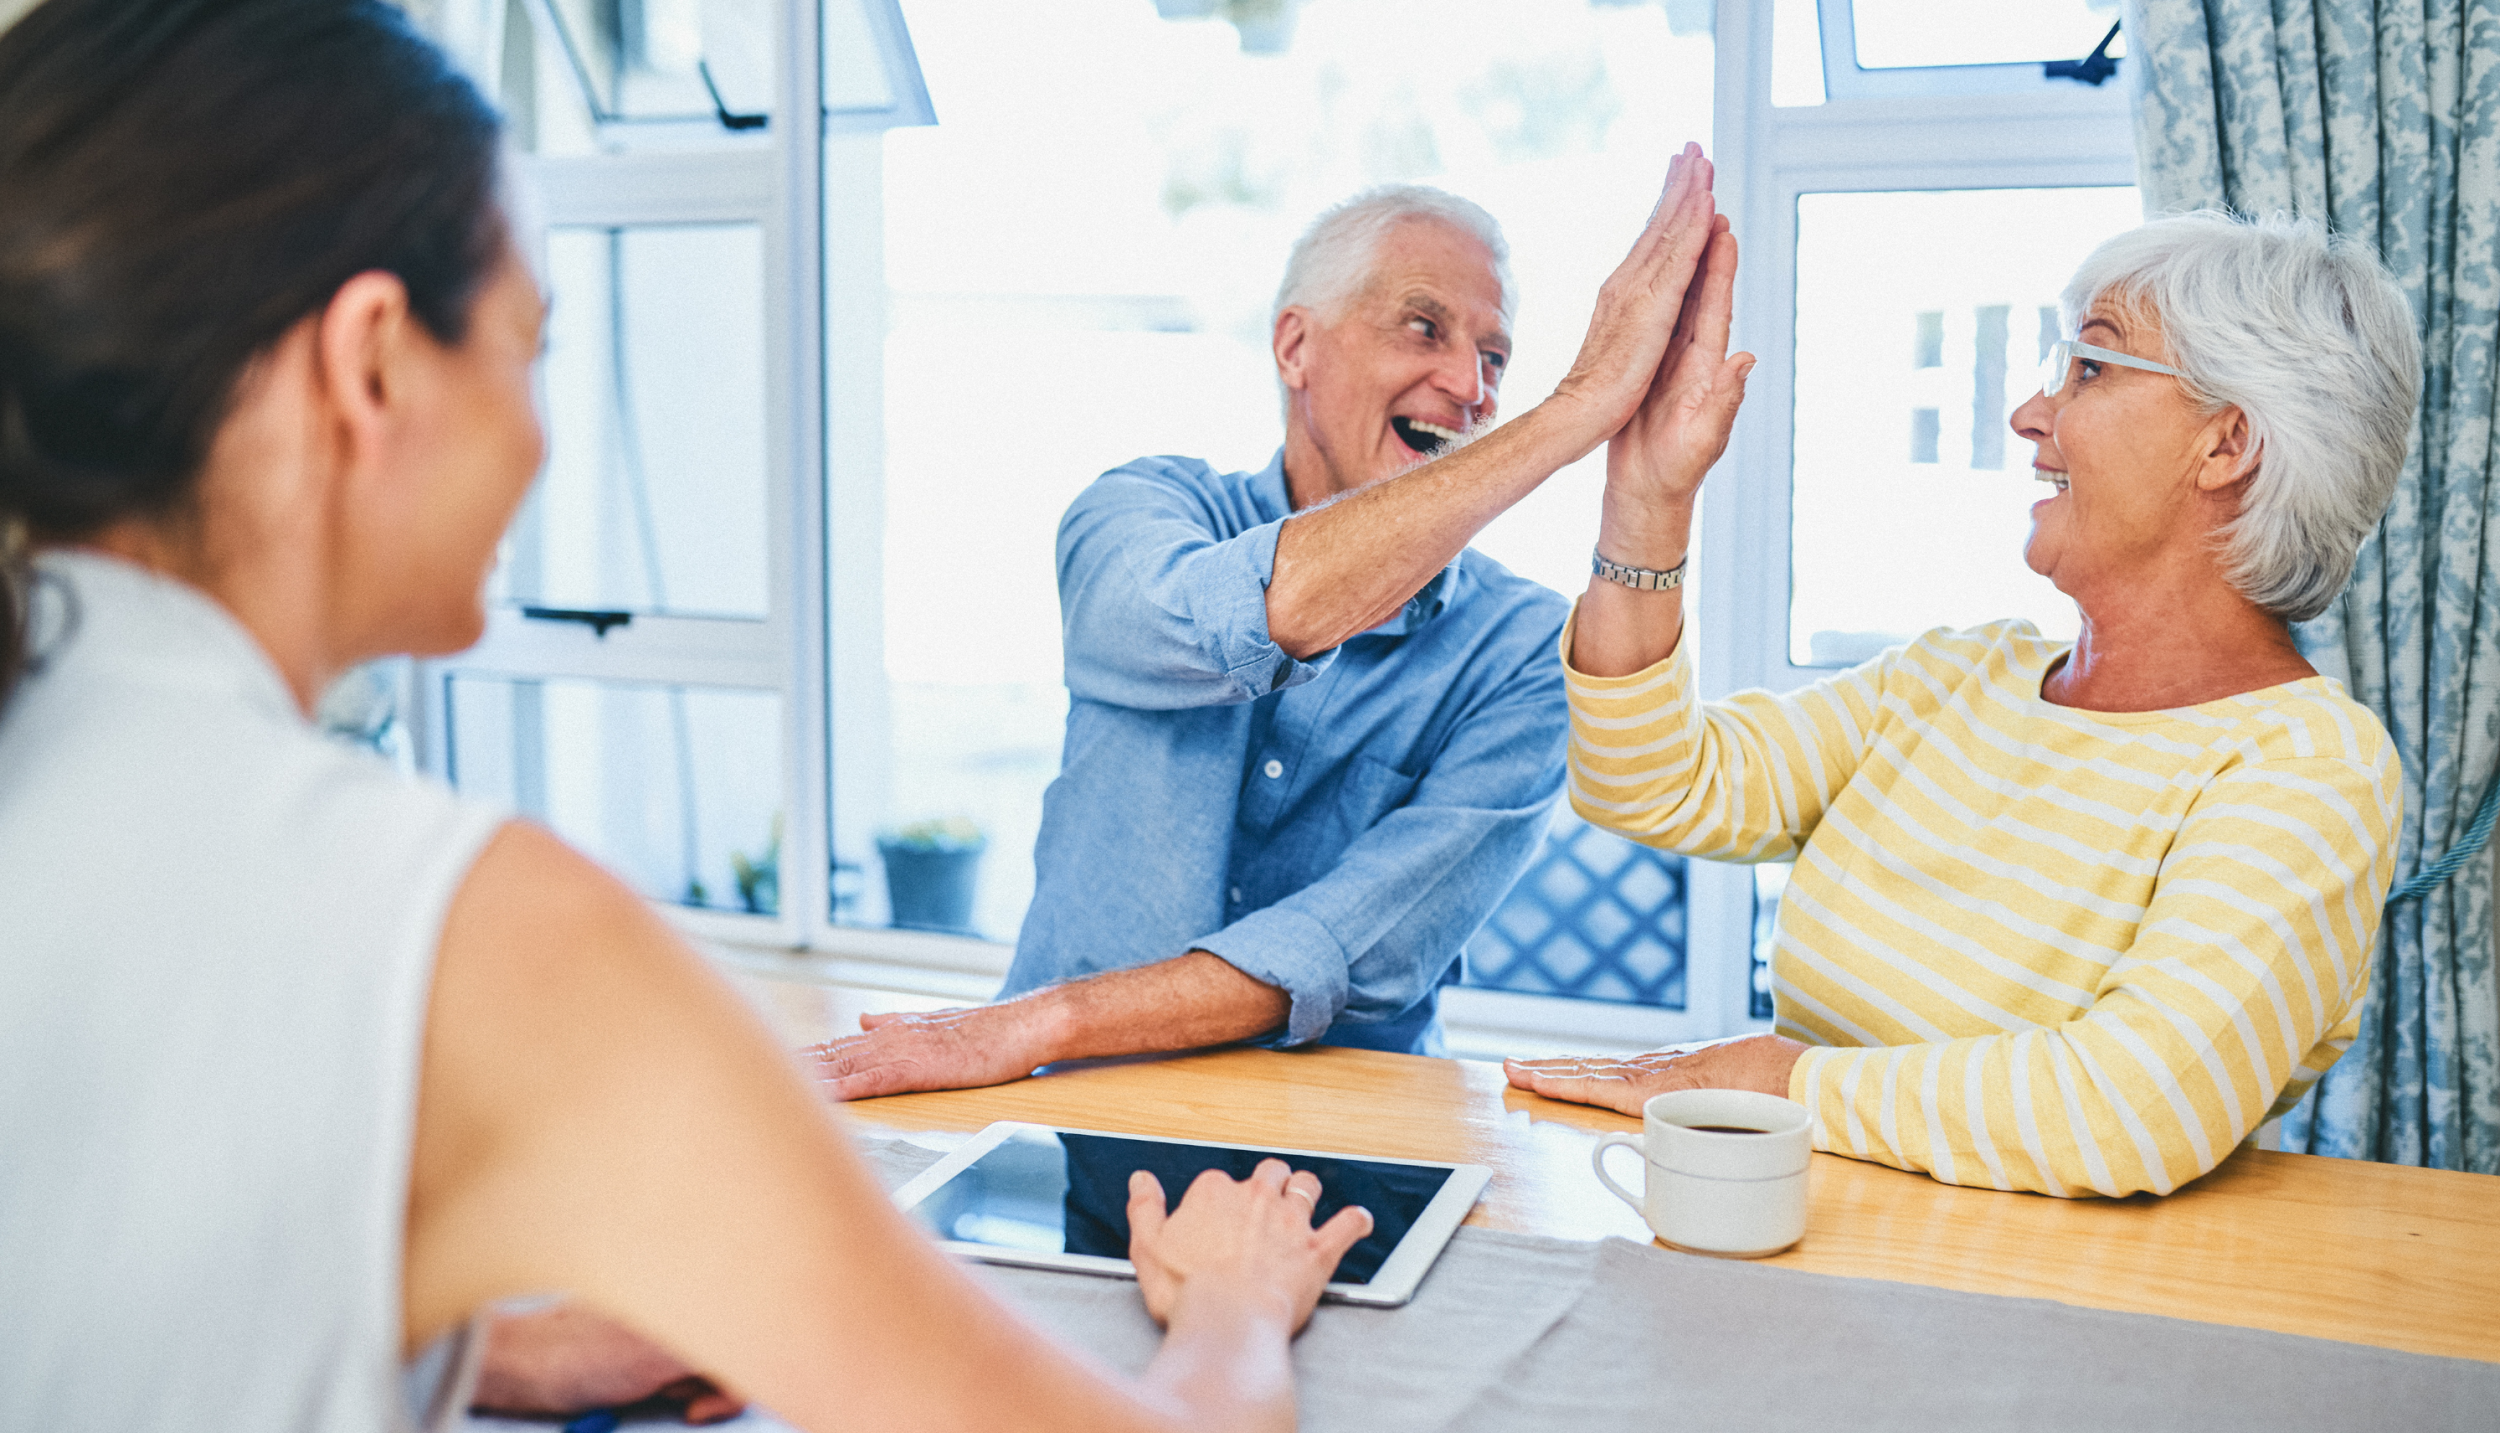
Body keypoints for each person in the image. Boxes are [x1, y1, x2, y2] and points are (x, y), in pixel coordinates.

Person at [0, 3, 1377, 1430]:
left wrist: (498, 1355)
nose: (540, 436)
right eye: (533, 345)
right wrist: (1229, 1302)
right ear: (371, 363)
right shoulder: (471, 929)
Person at [1505, 203, 2419, 1199]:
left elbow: (2129, 1111)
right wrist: (1646, 499)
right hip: (1795, 1258)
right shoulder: (1954, 678)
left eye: (2091, 367)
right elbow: (1647, 780)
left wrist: (1773, 1076)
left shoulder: (2308, 765)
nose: (2031, 412)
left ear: (2225, 443)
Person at [813, 168, 1741, 1096]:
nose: (1471, 385)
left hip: (1348, 1158)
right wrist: (1572, 413)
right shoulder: (1136, 514)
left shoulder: (1526, 652)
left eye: (1497, 359)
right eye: (1425, 328)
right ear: (1296, 346)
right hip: (1082, 1118)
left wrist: (1039, 1018)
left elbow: (1350, 939)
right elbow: (1240, 618)